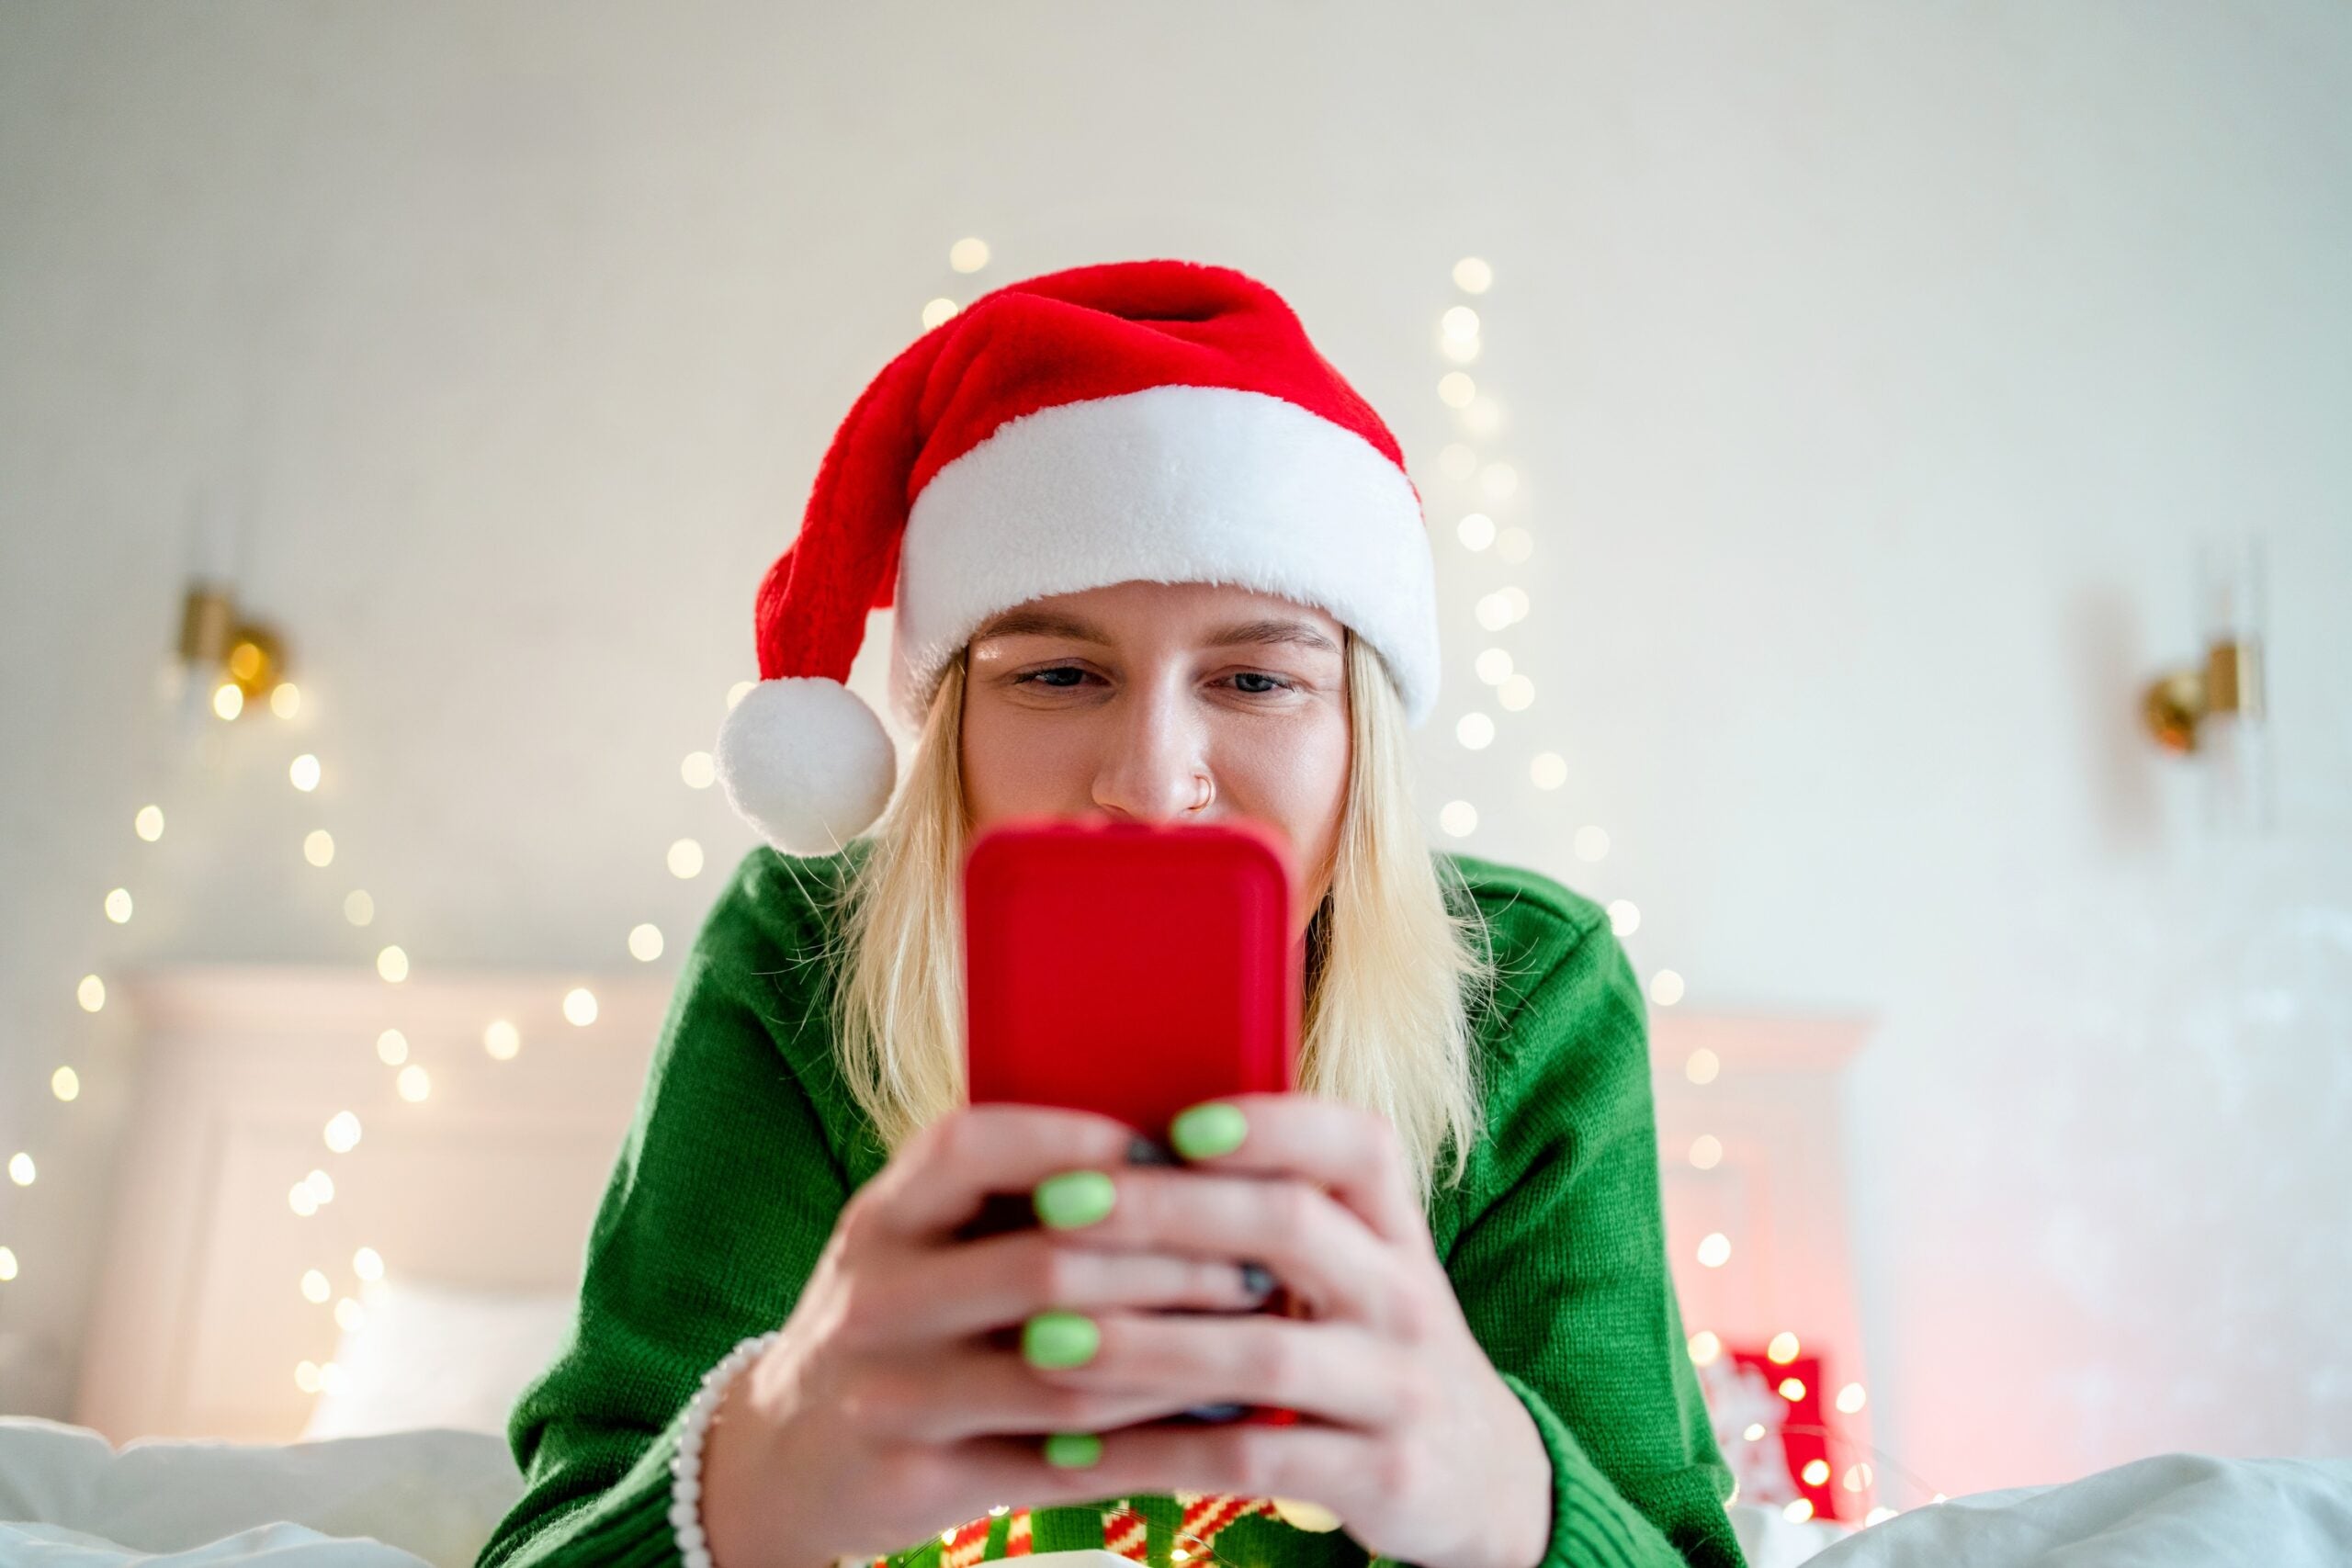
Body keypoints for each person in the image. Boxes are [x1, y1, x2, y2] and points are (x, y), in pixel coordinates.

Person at [474, 259, 1746, 1568]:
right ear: (953, 721)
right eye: (1061, 672)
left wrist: (1505, 1493)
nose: (1150, 782)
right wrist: (758, 1470)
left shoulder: (1530, 993)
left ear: (1357, 737)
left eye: (1254, 677)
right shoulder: (800, 965)